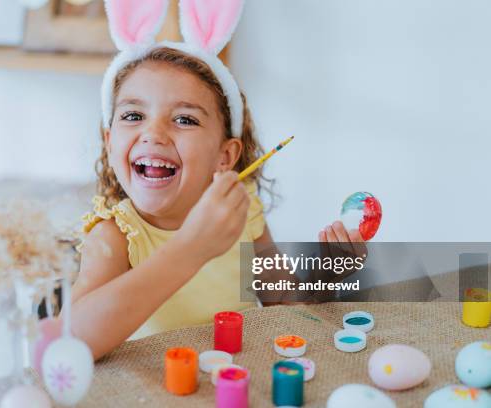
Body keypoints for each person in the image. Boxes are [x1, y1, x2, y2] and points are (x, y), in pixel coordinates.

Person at [70, 0, 364, 360]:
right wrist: (193, 247)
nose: (153, 133)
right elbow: (73, 340)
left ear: (225, 156)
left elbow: (285, 304)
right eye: (133, 115)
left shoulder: (243, 212)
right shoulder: (115, 236)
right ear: (109, 139)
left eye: (184, 120)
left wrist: (330, 275)